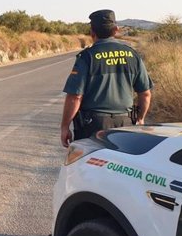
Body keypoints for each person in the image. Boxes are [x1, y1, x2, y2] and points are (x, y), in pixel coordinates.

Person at [60, 9, 153, 147]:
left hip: (93, 126)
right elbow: (145, 94)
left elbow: (75, 97)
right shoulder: (132, 55)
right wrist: (140, 119)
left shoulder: (87, 57)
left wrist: (65, 127)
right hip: (125, 124)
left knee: (91, 165)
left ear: (92, 32)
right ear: (116, 30)